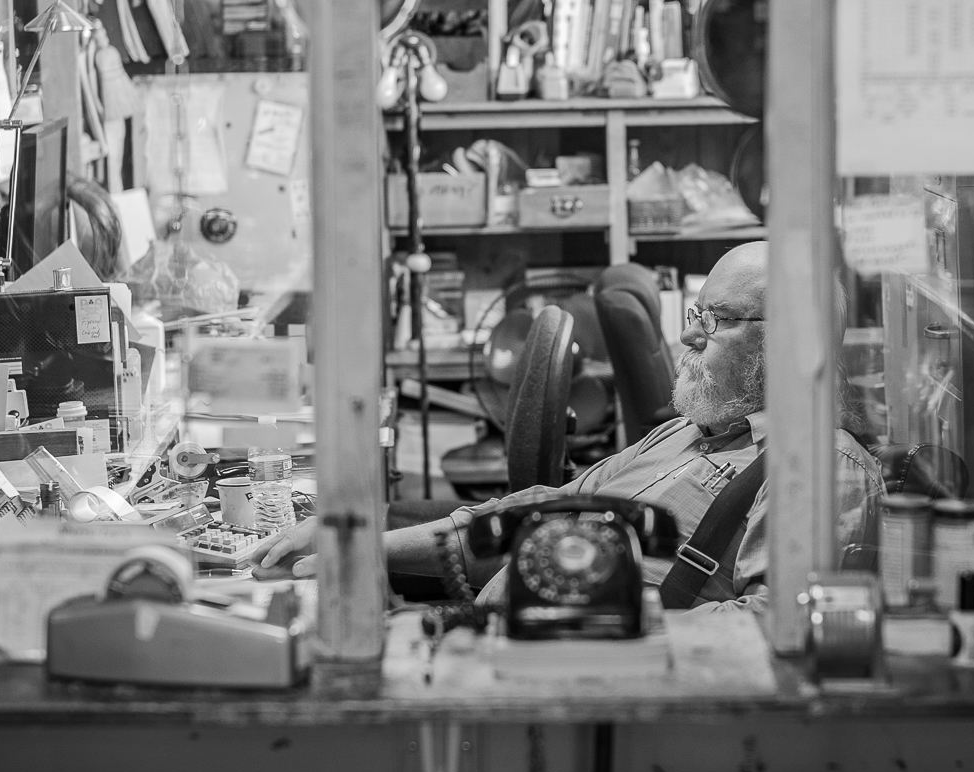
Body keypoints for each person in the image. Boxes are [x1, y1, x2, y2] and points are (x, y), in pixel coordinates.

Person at [230, 242, 882, 613]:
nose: (688, 335)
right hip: (492, 643)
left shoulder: (822, 467)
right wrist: (359, 543)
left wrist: (589, 611)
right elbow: (541, 510)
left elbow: (775, 631)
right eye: (695, 313)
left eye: (718, 320)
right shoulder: (688, 430)